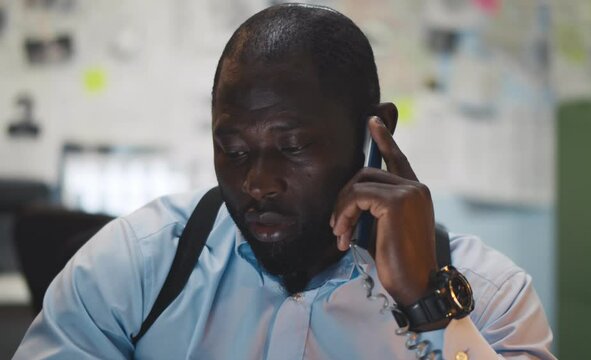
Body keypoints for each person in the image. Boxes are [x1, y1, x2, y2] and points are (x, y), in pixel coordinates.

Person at [14, 4, 555, 359]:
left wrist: (427, 305)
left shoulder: (490, 297)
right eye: (233, 149)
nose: (258, 183)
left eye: (293, 147)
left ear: (377, 131)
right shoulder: (135, 268)